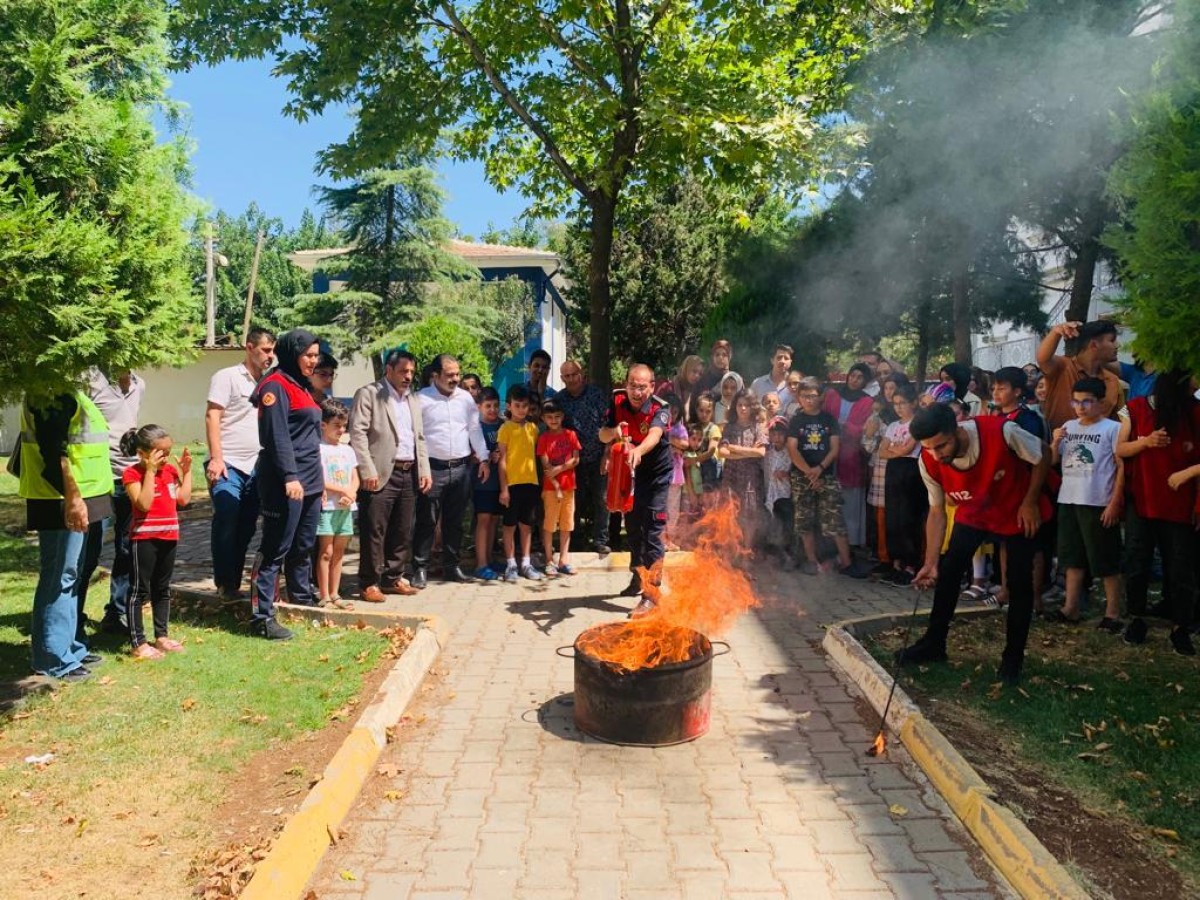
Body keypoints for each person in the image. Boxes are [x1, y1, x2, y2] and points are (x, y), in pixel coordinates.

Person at [898, 403, 1049, 685]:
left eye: (941, 446)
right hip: (974, 513)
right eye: (929, 448)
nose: (936, 454)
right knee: (949, 571)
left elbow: (1044, 454)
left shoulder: (1002, 431)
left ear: (956, 430)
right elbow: (936, 512)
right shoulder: (928, 461)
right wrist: (930, 563)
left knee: (1018, 584)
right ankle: (934, 644)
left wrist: (1030, 502)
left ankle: (1012, 659)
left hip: (1015, 509)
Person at [16, 390, 113, 680]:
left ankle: (70, 647)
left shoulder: (70, 390)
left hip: (83, 496)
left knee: (71, 574)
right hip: (62, 499)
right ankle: (52, 658)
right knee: (60, 575)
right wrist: (72, 498)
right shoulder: (50, 391)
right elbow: (53, 452)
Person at [1117, 370, 1200, 655]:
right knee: (1137, 561)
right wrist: (1146, 442)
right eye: (1193, 377)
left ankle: (1181, 627)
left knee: (1180, 567)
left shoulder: (1195, 411)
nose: (1197, 383)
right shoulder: (1137, 407)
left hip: (1180, 504)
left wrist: (1189, 471)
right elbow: (1121, 448)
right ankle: (1137, 618)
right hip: (1142, 500)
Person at [249, 329, 325, 640]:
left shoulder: (301, 386)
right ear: (292, 353)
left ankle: (301, 605)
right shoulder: (275, 386)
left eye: (316, 355)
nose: (314, 360)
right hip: (285, 481)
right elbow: (276, 435)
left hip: (310, 480)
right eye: (308, 355)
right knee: (275, 549)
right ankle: (262, 616)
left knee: (303, 547)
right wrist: (290, 477)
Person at [348, 349, 432, 601]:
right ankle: (369, 582)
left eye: (411, 372)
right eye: (403, 371)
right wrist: (366, 469)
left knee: (403, 528)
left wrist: (424, 469)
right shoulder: (369, 394)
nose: (408, 377)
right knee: (374, 529)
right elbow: (358, 433)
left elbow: (419, 437)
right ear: (388, 370)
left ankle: (393, 577)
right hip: (380, 471)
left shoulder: (413, 399)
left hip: (408, 471)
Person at [205, 327, 276, 603]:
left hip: (257, 465)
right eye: (265, 350)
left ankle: (233, 582)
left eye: (273, 351)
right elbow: (213, 416)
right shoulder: (227, 377)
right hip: (229, 463)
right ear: (249, 347)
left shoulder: (270, 382)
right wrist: (216, 457)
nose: (270, 356)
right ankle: (224, 582)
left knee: (246, 525)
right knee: (227, 515)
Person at [1049, 378, 1124, 631]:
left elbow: (1121, 466)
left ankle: (1113, 612)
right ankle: (1071, 607)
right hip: (1069, 497)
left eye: (1087, 402)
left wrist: (1115, 502)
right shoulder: (1068, 426)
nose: (1080, 407)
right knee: (1071, 557)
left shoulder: (1112, 428)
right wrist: (1056, 442)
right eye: (1076, 401)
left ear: (1101, 403)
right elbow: (1051, 460)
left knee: (1105, 558)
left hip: (1097, 500)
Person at [600, 364, 673, 615]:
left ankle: (652, 595)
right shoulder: (618, 400)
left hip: (657, 476)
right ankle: (637, 577)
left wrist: (638, 451)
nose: (636, 391)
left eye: (642, 387)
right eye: (633, 385)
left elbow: (654, 435)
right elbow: (602, 434)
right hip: (631, 474)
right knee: (631, 528)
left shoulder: (660, 408)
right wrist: (614, 433)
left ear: (651, 387)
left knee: (652, 532)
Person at [413, 354, 490, 586]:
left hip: (461, 468)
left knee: (455, 521)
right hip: (432, 469)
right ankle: (420, 568)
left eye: (457, 374)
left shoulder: (466, 399)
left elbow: (474, 430)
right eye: (450, 375)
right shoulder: (420, 399)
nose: (455, 378)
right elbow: (415, 435)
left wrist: (484, 458)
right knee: (427, 520)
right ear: (435, 375)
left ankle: (451, 567)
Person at [79, 367, 145, 634]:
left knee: (127, 549)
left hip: (128, 477)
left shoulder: (140, 384)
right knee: (89, 552)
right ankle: (73, 617)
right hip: (99, 479)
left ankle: (115, 614)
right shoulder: (90, 379)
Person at [120, 425, 192, 659]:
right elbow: (144, 504)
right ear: (143, 453)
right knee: (139, 591)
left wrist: (187, 472)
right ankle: (138, 642)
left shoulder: (170, 471)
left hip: (169, 535)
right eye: (160, 452)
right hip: (145, 539)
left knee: (162, 589)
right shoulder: (132, 473)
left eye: (168, 451)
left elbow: (183, 499)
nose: (165, 457)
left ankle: (161, 636)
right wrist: (150, 472)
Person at [787, 377, 867, 578]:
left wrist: (820, 469)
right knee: (804, 520)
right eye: (805, 396)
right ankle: (811, 561)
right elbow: (792, 449)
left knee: (834, 520)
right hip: (801, 476)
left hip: (826, 476)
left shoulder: (828, 420)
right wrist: (808, 471)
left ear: (821, 397)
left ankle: (847, 563)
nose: (809, 400)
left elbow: (835, 448)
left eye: (813, 396)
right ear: (799, 398)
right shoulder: (796, 421)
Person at [556, 360, 612, 555]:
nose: (571, 379)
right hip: (573, 460)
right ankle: (576, 540)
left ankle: (600, 540)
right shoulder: (559, 400)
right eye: (567, 376)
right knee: (574, 501)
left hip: (598, 455)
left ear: (582, 374)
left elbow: (608, 424)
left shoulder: (596, 395)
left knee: (602, 499)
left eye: (574, 374)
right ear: (562, 378)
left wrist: (607, 453)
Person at [823, 363, 875, 549]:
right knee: (828, 500)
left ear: (865, 381)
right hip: (828, 453)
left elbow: (866, 429)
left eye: (860, 377)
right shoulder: (832, 394)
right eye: (853, 375)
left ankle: (850, 545)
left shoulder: (868, 402)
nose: (854, 379)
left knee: (850, 502)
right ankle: (829, 545)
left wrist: (845, 427)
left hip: (852, 457)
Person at [1036, 320, 1123, 429]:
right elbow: (1043, 359)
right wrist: (1055, 332)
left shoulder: (1112, 380)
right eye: (1112, 340)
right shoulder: (1062, 367)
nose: (1117, 345)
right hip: (1059, 443)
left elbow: (1116, 423)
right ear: (1094, 345)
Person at [879, 385, 927, 586]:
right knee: (893, 517)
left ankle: (911, 564)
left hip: (911, 471)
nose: (898, 408)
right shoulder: (892, 426)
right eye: (895, 404)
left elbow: (909, 448)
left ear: (913, 403)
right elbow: (882, 451)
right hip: (893, 471)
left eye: (903, 403)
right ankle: (896, 562)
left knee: (909, 518)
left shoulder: (917, 423)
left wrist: (896, 449)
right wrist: (895, 451)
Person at [315, 400, 359, 609]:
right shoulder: (319, 449)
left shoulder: (347, 451)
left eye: (344, 426)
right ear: (323, 424)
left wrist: (351, 492)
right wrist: (342, 491)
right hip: (328, 508)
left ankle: (335, 593)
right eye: (337, 426)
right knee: (326, 552)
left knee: (340, 552)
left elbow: (355, 477)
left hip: (345, 508)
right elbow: (319, 479)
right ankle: (324, 594)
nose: (341, 430)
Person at [498, 385, 543, 583]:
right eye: (517, 405)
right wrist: (504, 489)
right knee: (509, 526)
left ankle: (525, 563)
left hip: (531, 484)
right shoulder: (505, 428)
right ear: (509, 406)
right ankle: (511, 565)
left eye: (525, 406)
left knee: (526, 526)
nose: (522, 409)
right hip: (512, 485)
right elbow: (502, 460)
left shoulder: (533, 428)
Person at [538, 398, 582, 576]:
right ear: (543, 419)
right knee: (549, 525)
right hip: (551, 490)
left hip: (569, 487)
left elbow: (576, 459)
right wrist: (555, 485)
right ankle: (549, 560)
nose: (554, 420)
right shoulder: (544, 438)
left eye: (557, 416)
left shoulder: (571, 435)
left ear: (562, 416)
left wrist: (560, 468)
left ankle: (564, 559)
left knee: (567, 524)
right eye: (549, 417)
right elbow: (546, 467)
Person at [718, 388, 768, 546]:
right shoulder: (730, 427)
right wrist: (748, 452)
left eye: (747, 405)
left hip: (750, 478)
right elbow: (722, 452)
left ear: (753, 406)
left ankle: (747, 549)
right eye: (740, 405)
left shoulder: (758, 427)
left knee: (749, 515)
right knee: (730, 513)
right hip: (731, 475)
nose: (743, 408)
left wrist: (734, 448)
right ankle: (733, 549)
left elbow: (760, 452)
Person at [473, 387, 504, 580]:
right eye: (488, 406)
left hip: (499, 481)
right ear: (479, 407)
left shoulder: (503, 424)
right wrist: (485, 457)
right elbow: (469, 456)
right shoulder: (475, 427)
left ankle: (490, 558)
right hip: (481, 482)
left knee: (493, 520)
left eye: (495, 405)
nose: (492, 410)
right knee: (483, 520)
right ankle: (480, 564)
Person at [763, 418, 794, 561]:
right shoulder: (767, 452)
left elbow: (798, 472)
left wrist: (786, 475)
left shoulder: (791, 452)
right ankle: (774, 552)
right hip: (770, 493)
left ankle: (788, 555)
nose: (776, 437)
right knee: (772, 523)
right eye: (773, 434)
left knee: (785, 525)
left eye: (780, 434)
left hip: (784, 495)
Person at [662, 394, 689, 550]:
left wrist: (668, 439)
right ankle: (659, 539)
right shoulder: (656, 426)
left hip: (675, 476)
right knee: (659, 509)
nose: (672, 413)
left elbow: (685, 444)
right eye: (669, 410)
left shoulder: (679, 428)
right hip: (659, 474)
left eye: (675, 410)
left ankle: (669, 539)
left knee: (672, 510)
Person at [657, 355, 705, 421]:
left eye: (700, 374)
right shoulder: (668, 388)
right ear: (686, 369)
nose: (697, 376)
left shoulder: (696, 393)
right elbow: (654, 410)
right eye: (694, 371)